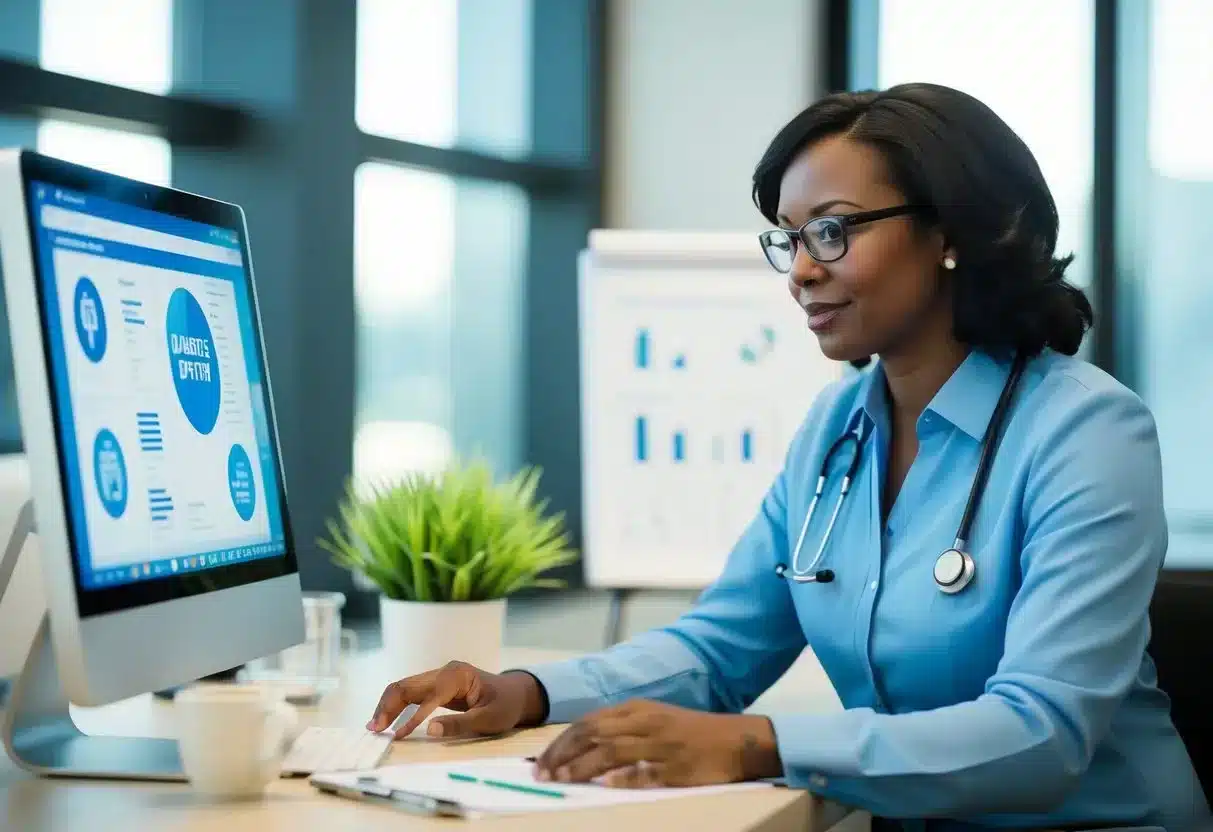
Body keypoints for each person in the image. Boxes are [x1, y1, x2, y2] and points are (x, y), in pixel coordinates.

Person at [367, 83, 1210, 830]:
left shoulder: (1085, 431)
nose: (801, 270)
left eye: (833, 232)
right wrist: (525, 691)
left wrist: (751, 744)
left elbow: (1043, 732)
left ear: (950, 233)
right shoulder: (836, 427)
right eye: (789, 239)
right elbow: (718, 646)